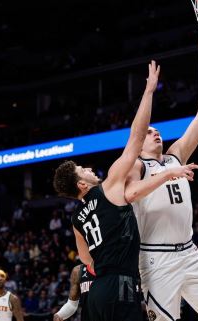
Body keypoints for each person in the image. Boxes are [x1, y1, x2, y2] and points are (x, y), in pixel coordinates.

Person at [53, 61, 166, 321]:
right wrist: (148, 92)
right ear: (81, 184)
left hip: (96, 292)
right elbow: (136, 139)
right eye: (83, 170)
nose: (89, 169)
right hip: (121, 284)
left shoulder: (76, 218)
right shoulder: (108, 188)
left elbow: (85, 259)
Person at [125, 60, 198, 321]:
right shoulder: (137, 166)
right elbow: (131, 194)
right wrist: (149, 91)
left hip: (189, 252)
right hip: (156, 259)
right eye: (149, 132)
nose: (155, 133)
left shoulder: (176, 156)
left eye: (157, 131)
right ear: (139, 144)